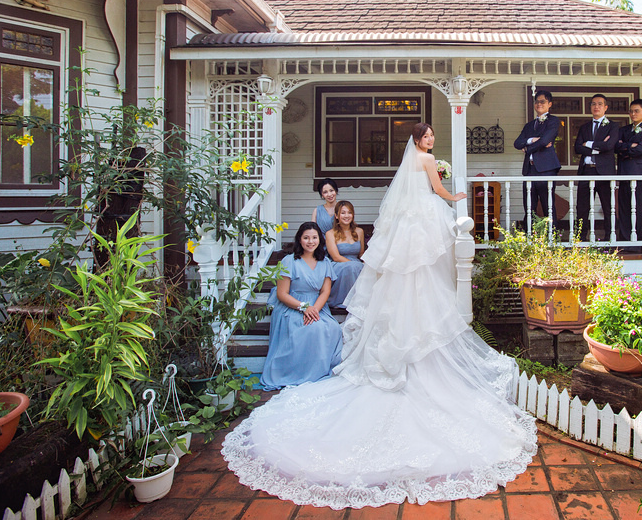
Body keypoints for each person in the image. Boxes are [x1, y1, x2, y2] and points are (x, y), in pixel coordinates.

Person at [223, 123, 537, 509]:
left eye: (432, 137)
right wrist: (454, 194)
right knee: (424, 271)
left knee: (408, 273)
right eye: (427, 137)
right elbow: (437, 190)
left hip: (411, 222)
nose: (430, 142)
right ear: (419, 142)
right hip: (427, 217)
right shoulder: (426, 162)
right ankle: (417, 345)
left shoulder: (412, 168)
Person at [259, 222, 342, 391]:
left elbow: (325, 292)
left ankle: (320, 370)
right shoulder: (289, 261)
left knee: (332, 328)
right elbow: (282, 294)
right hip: (293, 305)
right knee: (311, 328)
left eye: (314, 237)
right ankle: (298, 372)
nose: (310, 241)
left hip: (316, 306)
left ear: (320, 239)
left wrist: (314, 309)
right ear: (299, 239)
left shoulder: (324, 262)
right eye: (306, 238)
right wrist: (304, 308)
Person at [574, 94, 619, 242]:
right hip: (586, 170)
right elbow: (577, 148)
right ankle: (580, 237)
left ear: (605, 107)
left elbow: (609, 146)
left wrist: (589, 144)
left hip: (604, 172)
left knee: (608, 207)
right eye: (593, 104)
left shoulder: (612, 126)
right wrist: (598, 146)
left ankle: (609, 236)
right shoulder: (585, 127)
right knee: (582, 207)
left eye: (600, 104)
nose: (596, 106)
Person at [513, 90, 561, 223]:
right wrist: (532, 140)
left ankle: (553, 237)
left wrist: (527, 148)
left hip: (546, 169)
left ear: (549, 104)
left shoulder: (553, 121)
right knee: (529, 207)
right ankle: (529, 237)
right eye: (537, 101)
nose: (539, 104)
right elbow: (517, 143)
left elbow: (545, 140)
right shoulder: (529, 125)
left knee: (548, 206)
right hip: (529, 170)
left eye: (543, 101)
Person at [615, 99, 642, 250]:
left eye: (637, 111)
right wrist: (630, 146)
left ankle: (640, 242)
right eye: (631, 111)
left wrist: (626, 149)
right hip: (624, 172)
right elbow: (616, 147)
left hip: (641, 174)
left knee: (640, 207)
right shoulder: (623, 130)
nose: (633, 114)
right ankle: (626, 241)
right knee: (625, 208)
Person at [325, 200, 365, 309]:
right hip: (339, 264)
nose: (346, 216)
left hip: (356, 264)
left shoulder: (359, 231)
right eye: (343, 213)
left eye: (349, 212)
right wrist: (355, 265)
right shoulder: (330, 233)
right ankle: (348, 303)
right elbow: (335, 256)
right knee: (352, 267)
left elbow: (361, 253)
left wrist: (368, 263)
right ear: (337, 216)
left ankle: (362, 303)